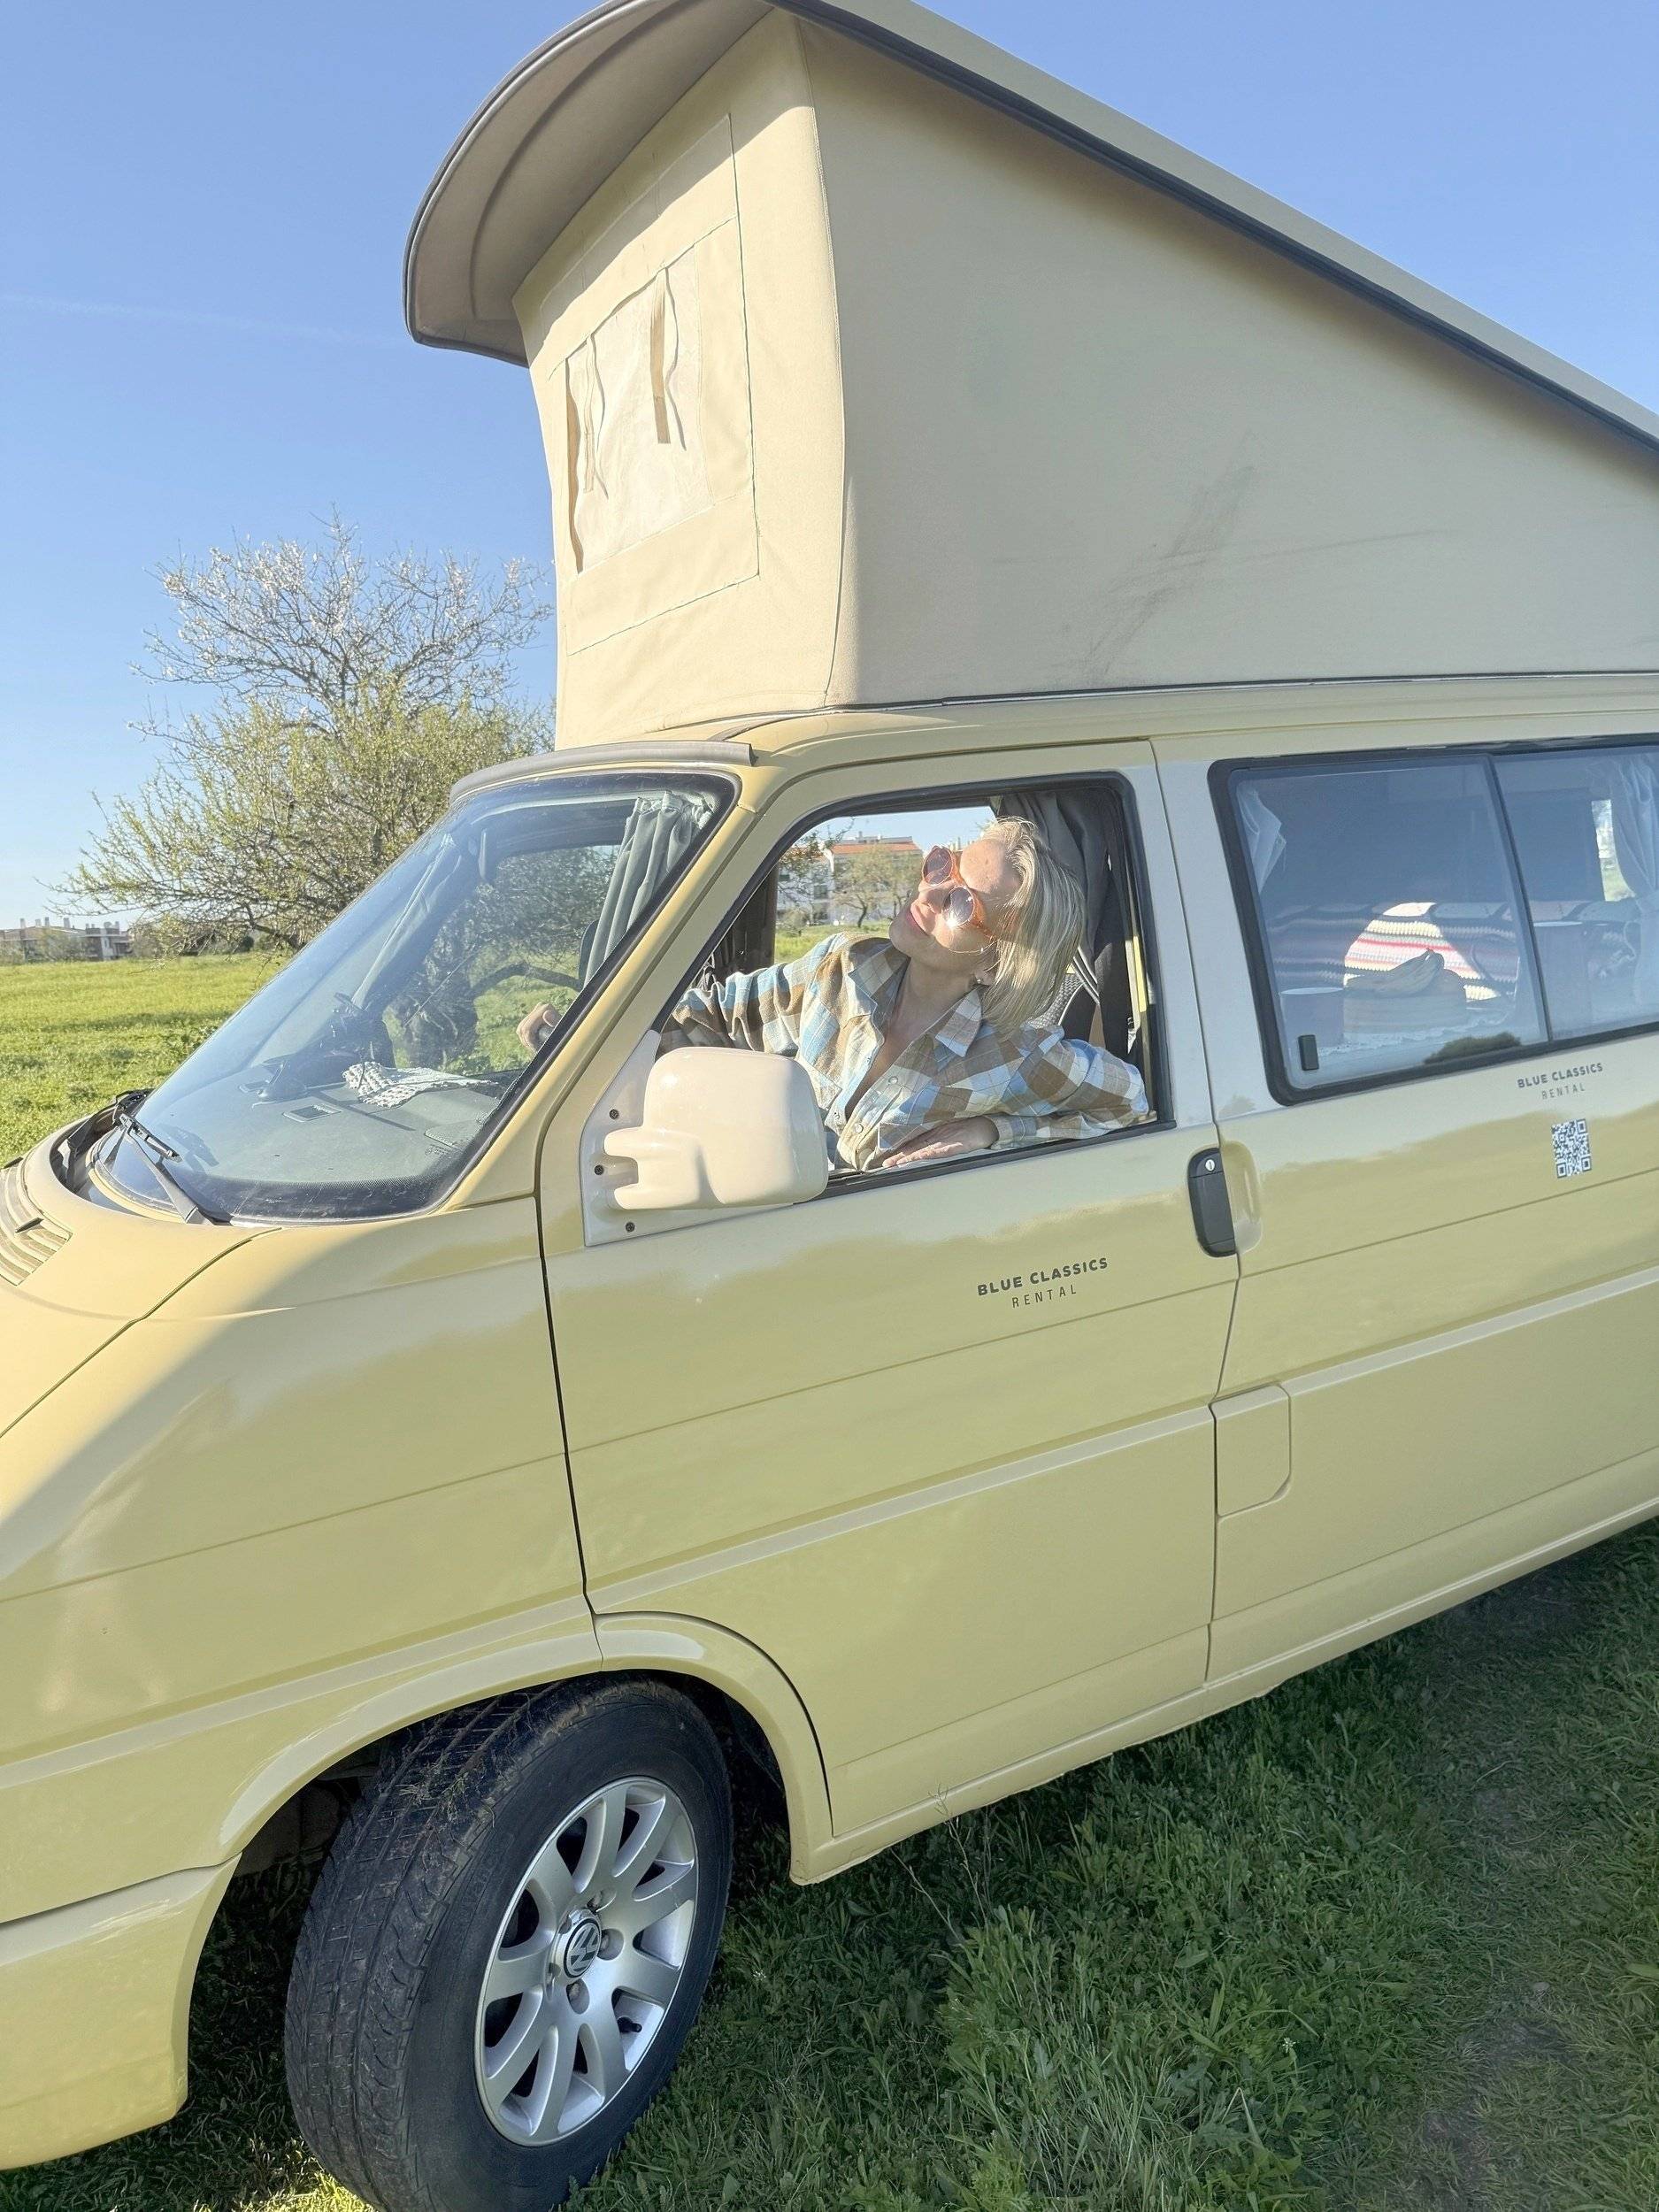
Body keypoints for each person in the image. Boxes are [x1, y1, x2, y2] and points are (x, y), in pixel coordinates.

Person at [520, 817, 1147, 1171]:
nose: (927, 893)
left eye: (962, 903)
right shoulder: (839, 968)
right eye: (943, 867)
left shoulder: (1019, 1054)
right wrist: (581, 1038)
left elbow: (1129, 1105)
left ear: (997, 962)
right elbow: (707, 1019)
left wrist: (992, 1131)